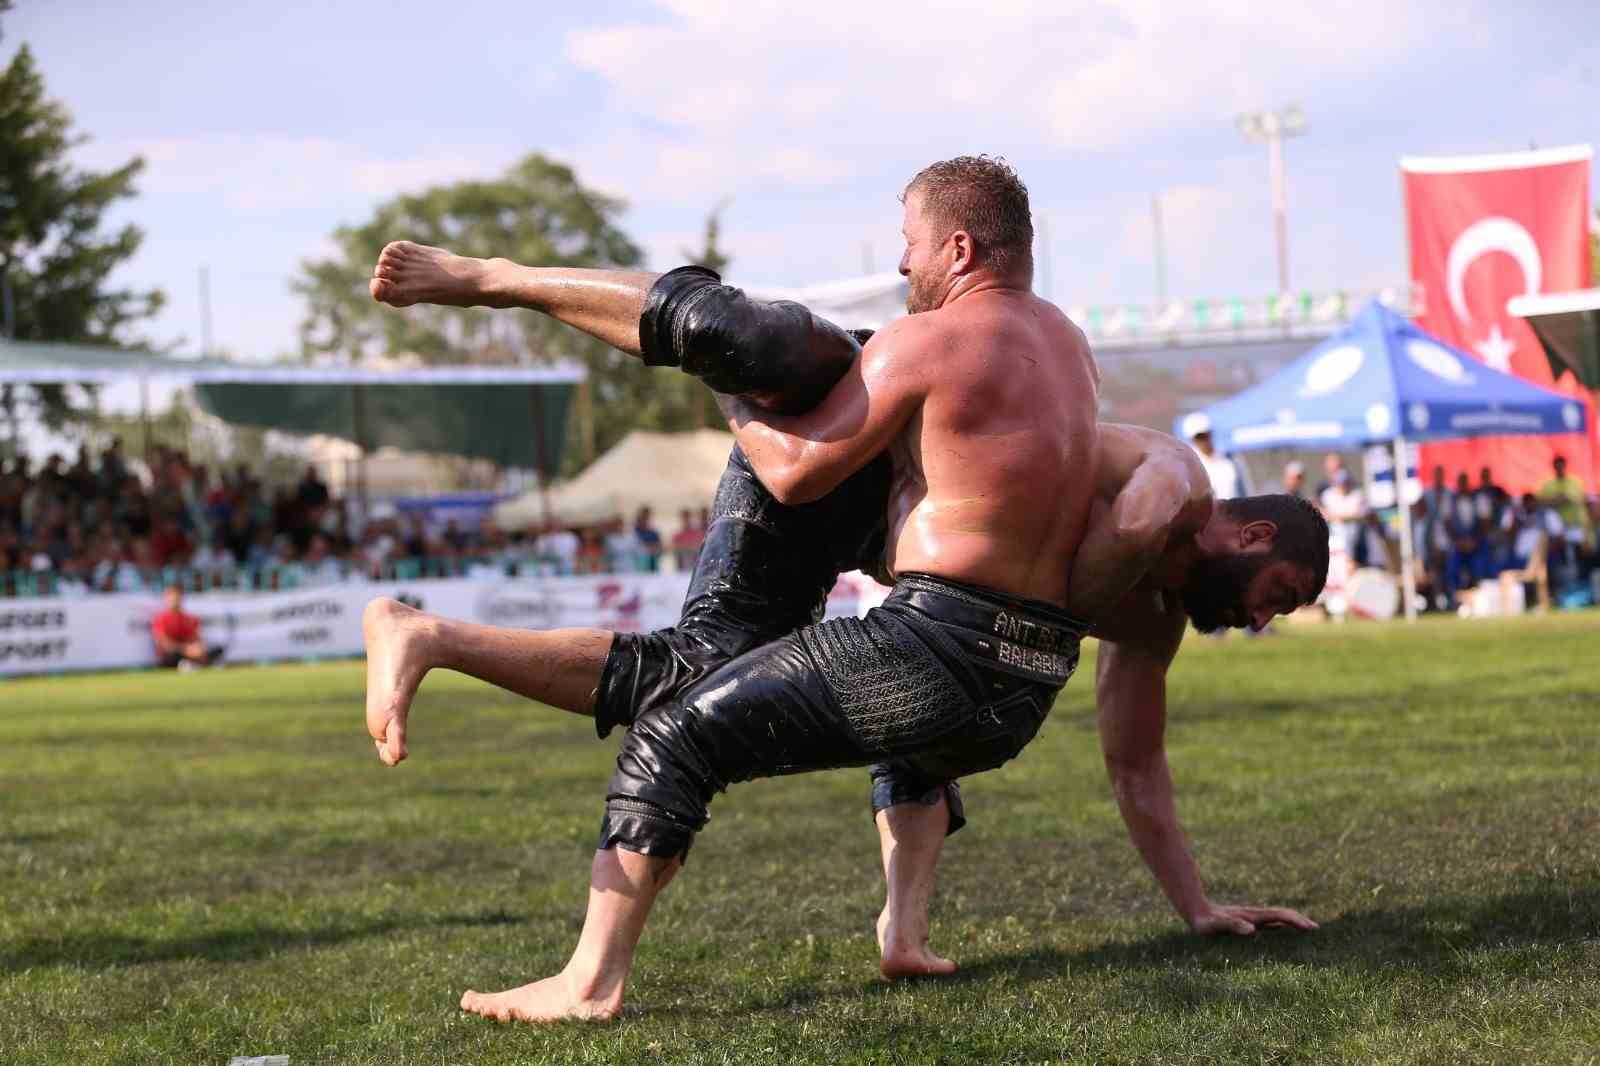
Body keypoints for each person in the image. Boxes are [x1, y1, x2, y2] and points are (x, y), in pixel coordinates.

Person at [364, 156, 1323, 1024]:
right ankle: (902, 932)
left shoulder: (933, 346)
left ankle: (588, 982)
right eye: (1277, 594)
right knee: (791, 688)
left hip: (942, 639)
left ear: (956, 248)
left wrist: (729, 393)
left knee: (680, 724)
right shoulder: (1071, 357)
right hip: (1008, 701)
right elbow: (1130, 546)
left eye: (909, 245)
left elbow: (790, 475)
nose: (903, 265)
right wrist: (1194, 902)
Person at [150, 583, 223, 669]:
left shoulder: (189, 618)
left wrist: (197, 648)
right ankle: (194, 662)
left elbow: (196, 638)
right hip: (174, 653)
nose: (174, 599)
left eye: (177, 596)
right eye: (171, 596)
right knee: (172, 655)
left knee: (216, 649)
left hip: (190, 651)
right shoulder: (160, 618)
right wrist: (185, 649)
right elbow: (163, 643)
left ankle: (194, 662)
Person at [1183, 415, 1250, 500]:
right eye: (1199, 437)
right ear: (1192, 440)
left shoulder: (1231, 458)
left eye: (1205, 435)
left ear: (1210, 434)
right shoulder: (1191, 468)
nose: (1203, 441)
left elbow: (1245, 487)